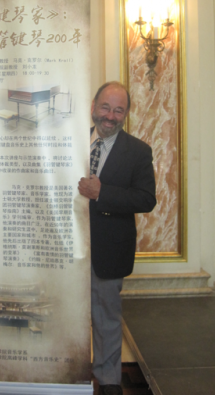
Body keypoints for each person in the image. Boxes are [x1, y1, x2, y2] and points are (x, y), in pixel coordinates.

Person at [78, 81, 156, 395]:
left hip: (108, 249)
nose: (110, 116)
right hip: (64, 247)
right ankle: (66, 368)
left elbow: (146, 199)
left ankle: (109, 379)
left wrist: (103, 194)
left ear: (126, 114)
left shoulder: (138, 151)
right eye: (106, 107)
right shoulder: (69, 141)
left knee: (106, 316)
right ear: (94, 106)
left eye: (118, 110)